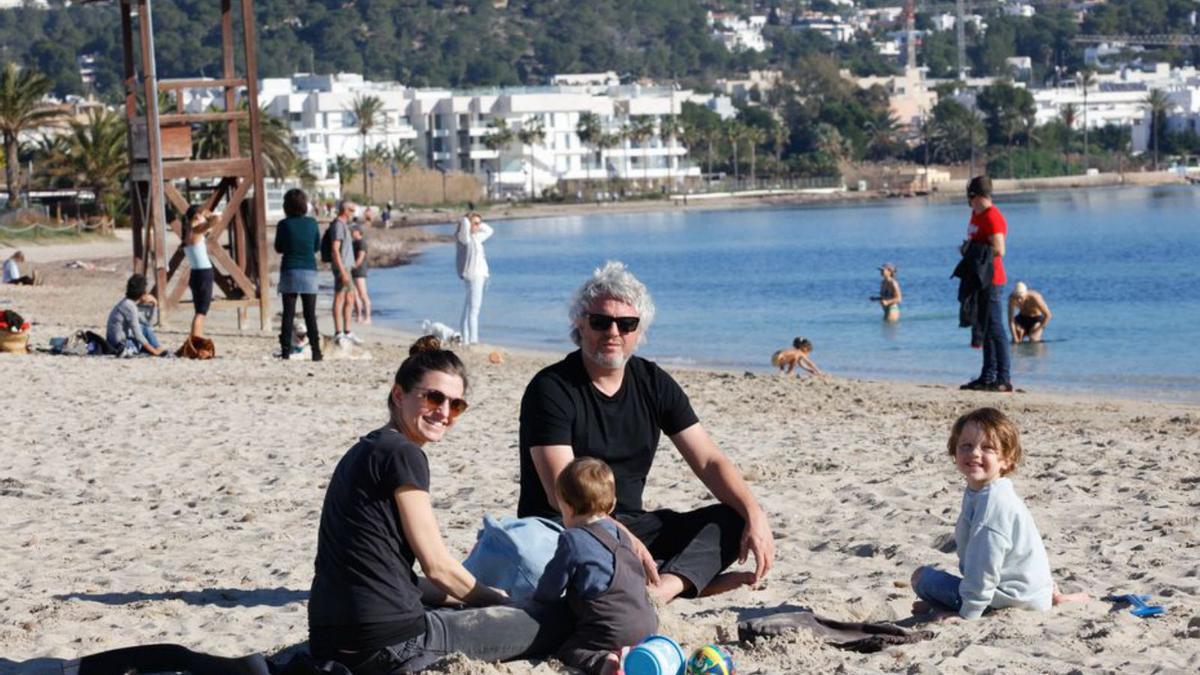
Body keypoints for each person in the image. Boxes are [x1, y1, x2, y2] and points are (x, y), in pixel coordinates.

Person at [518, 261, 775, 604]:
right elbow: (560, 494)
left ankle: (666, 586)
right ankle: (676, 577)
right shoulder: (551, 389)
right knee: (594, 555)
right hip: (566, 528)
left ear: (639, 332)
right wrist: (620, 540)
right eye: (600, 321)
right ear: (579, 324)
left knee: (731, 516)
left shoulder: (653, 383)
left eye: (626, 324)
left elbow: (709, 460)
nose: (613, 332)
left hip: (631, 524)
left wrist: (756, 516)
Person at [308, 336, 567, 672]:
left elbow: (400, 578)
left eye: (456, 404)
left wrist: (471, 596)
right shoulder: (404, 454)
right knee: (555, 621)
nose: (444, 412)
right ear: (398, 395)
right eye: (434, 398)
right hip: (389, 642)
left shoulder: (368, 449)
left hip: (328, 637)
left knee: (464, 607)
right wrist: (502, 600)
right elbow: (438, 567)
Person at [910, 407, 1088, 621]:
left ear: (1006, 459)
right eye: (966, 446)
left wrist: (968, 614)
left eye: (987, 448)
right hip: (1030, 590)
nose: (974, 453)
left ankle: (952, 607)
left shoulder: (993, 504)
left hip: (1011, 599)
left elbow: (984, 568)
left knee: (921, 578)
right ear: (954, 453)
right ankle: (1055, 598)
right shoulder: (983, 491)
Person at [533, 457, 658, 675]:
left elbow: (550, 589)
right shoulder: (623, 536)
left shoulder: (571, 540)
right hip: (648, 626)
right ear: (612, 505)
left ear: (567, 508)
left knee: (570, 650)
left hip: (609, 632)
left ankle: (606, 661)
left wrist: (536, 600)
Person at [960, 176, 1012, 392]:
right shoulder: (976, 214)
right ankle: (987, 375)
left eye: (970, 197)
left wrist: (973, 250)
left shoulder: (993, 217)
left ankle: (1003, 378)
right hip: (979, 278)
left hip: (992, 278)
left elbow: (1000, 249)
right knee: (985, 327)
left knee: (995, 327)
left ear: (977, 196)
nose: (969, 202)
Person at [275, 188, 323, 361]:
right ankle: (316, 351)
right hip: (309, 271)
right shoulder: (312, 223)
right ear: (304, 205)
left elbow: (278, 247)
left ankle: (286, 351)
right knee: (310, 313)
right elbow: (316, 247)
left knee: (288, 313)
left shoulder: (283, 224)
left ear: (286, 206)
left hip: (289, 270)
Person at [105, 274, 166, 357]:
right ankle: (156, 349)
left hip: (118, 340)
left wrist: (154, 305)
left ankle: (157, 347)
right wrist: (153, 351)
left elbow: (148, 324)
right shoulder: (129, 306)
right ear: (142, 293)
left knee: (144, 328)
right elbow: (137, 334)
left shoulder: (128, 303)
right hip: (120, 344)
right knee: (139, 343)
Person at [455, 211, 493, 345]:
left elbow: (490, 230)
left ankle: (466, 339)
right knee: (474, 309)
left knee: (468, 308)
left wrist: (477, 222)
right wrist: (467, 219)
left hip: (478, 276)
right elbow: (465, 224)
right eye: (475, 223)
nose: (478, 226)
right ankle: (473, 340)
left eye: (479, 223)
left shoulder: (476, 238)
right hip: (474, 276)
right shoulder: (464, 238)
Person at [329, 200, 361, 346]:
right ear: (345, 210)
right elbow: (335, 249)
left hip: (348, 266)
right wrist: (342, 271)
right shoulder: (338, 225)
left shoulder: (344, 226)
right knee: (340, 297)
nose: (353, 213)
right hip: (342, 268)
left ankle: (347, 331)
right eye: (352, 210)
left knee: (350, 298)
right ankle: (338, 332)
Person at [182, 205, 215, 340]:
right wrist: (207, 214)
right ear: (196, 217)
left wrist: (203, 216)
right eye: (200, 215)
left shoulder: (187, 233)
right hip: (204, 274)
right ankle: (196, 341)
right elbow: (218, 219)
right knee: (201, 313)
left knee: (198, 311)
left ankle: (196, 338)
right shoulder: (196, 231)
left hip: (195, 274)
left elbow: (210, 228)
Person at [351, 221, 372, 325]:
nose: (351, 232)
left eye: (353, 231)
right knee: (355, 294)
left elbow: (360, 257)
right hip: (353, 270)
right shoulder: (353, 242)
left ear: (358, 232)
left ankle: (368, 317)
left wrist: (353, 266)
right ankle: (359, 316)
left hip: (360, 270)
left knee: (363, 294)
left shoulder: (361, 242)